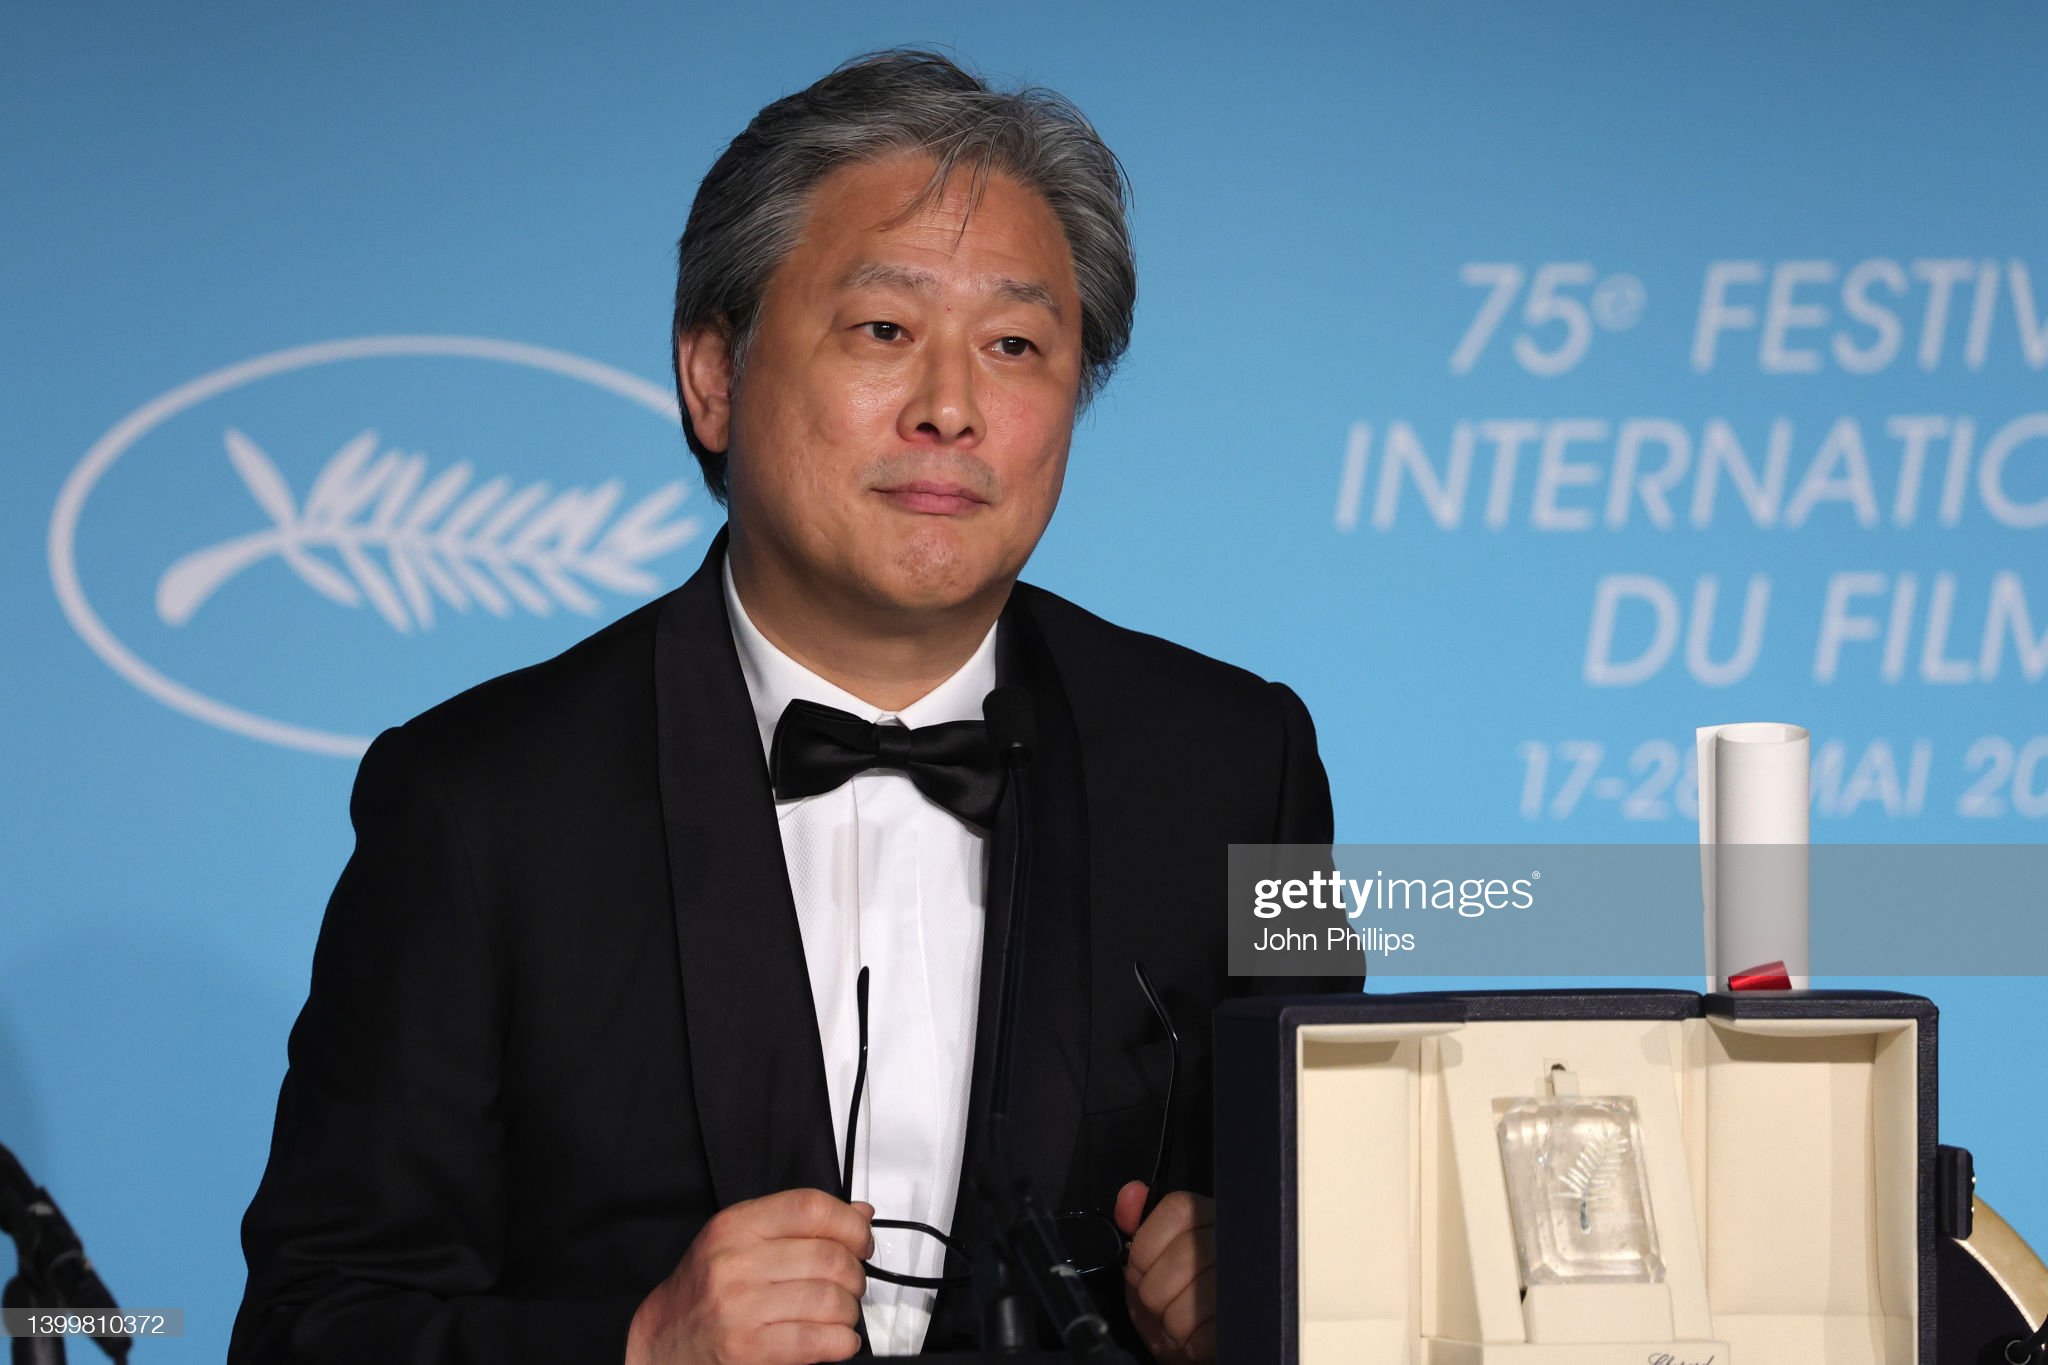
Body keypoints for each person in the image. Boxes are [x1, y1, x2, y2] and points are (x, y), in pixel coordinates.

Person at [230, 49, 1359, 1365]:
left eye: (1013, 345)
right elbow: (313, 1323)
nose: (950, 408)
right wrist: (640, 1347)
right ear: (713, 376)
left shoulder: (1237, 767)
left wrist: (1274, 1299)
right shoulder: (479, 800)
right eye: (884, 331)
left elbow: (1350, 1245)